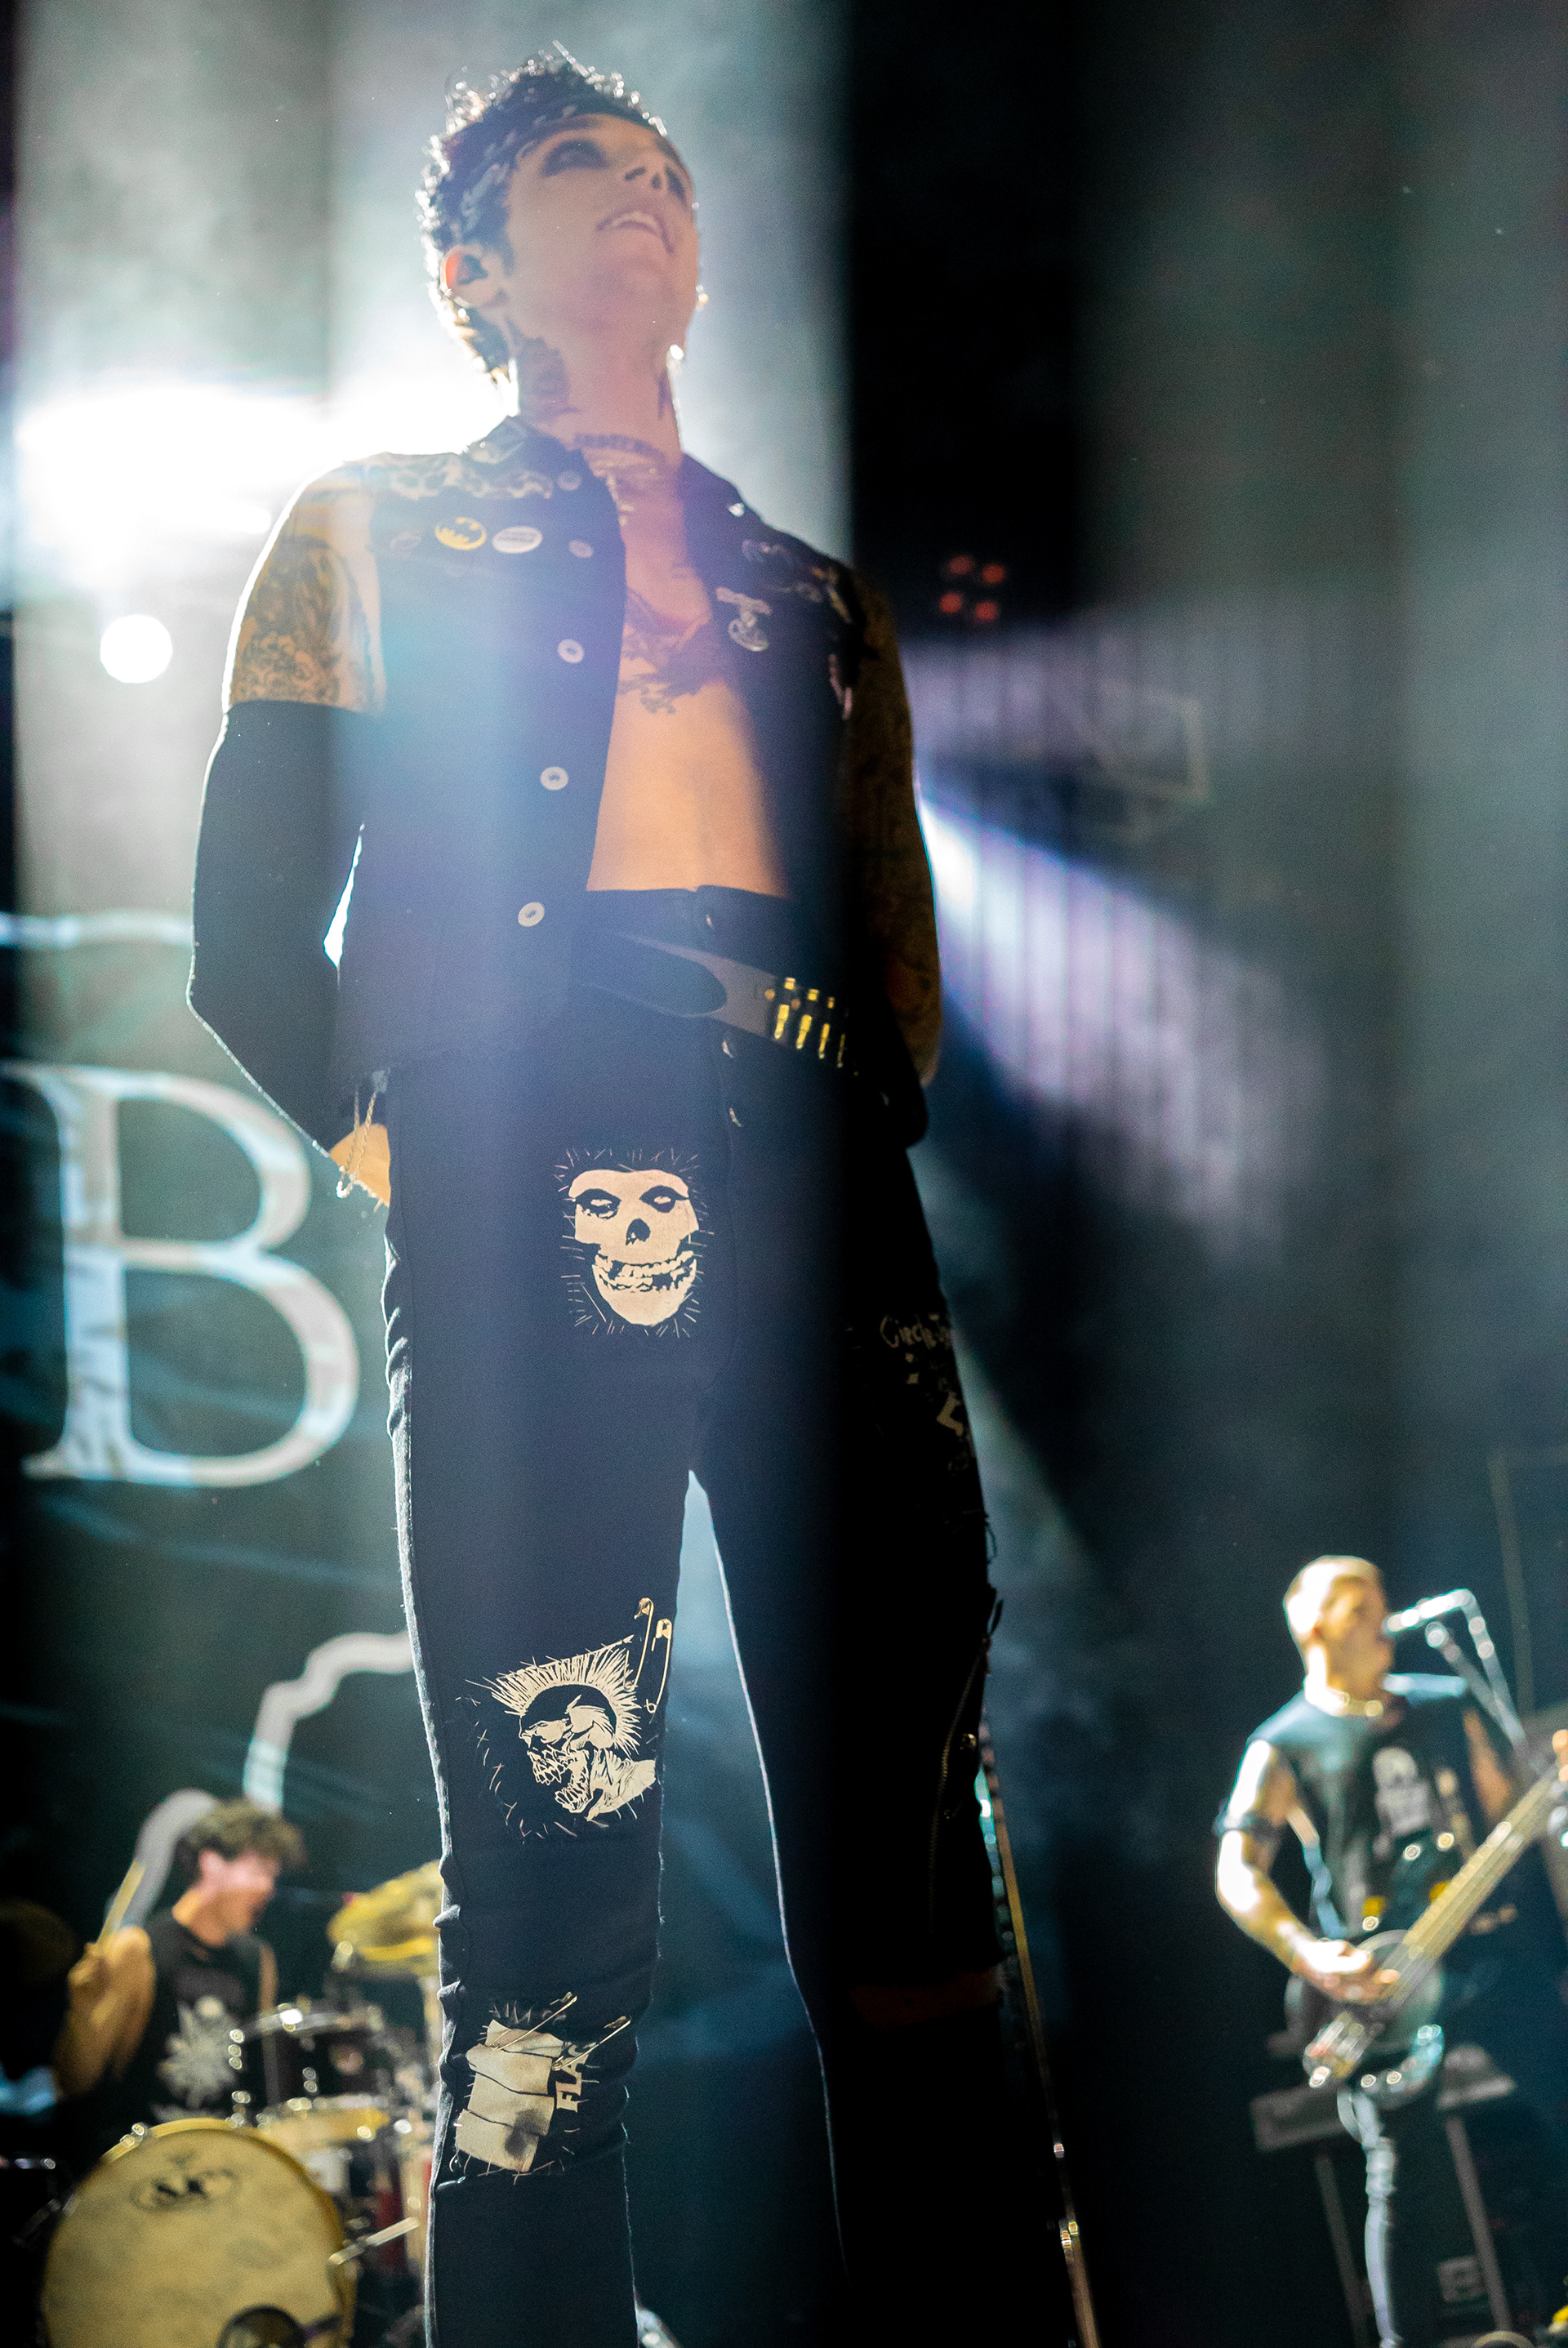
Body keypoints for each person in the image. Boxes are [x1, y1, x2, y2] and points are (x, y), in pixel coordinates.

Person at [189, 47, 1028, 2348]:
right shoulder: (373, 525)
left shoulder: (813, 596)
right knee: (556, 1864)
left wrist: (842, 1142)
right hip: (538, 1142)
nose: (639, 191)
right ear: (475, 271)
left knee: (912, 1845)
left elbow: (901, 968)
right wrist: (439, 1163)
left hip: (821, 1161)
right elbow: (247, 936)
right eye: (578, 168)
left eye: (662, 169)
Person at [1217, 1554, 1568, 2346]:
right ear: (1312, 1628)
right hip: (1385, 1979)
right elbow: (1236, 1872)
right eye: (1357, 1606)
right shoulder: (1284, 1742)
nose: (1381, 1617)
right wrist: (1309, 1954)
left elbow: (1506, 1809)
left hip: (1490, 1952)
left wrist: (1551, 1787)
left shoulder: (1443, 1702)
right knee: (1402, 2176)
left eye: (1380, 1599)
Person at [53, 1799, 304, 2149]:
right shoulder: (137, 1949)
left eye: (273, 1876)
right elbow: (73, 2082)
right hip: (139, 2157)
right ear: (211, 1863)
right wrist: (81, 2013)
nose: (268, 1888)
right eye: (259, 1870)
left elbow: (261, 2079)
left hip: (221, 2157)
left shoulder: (258, 1960)